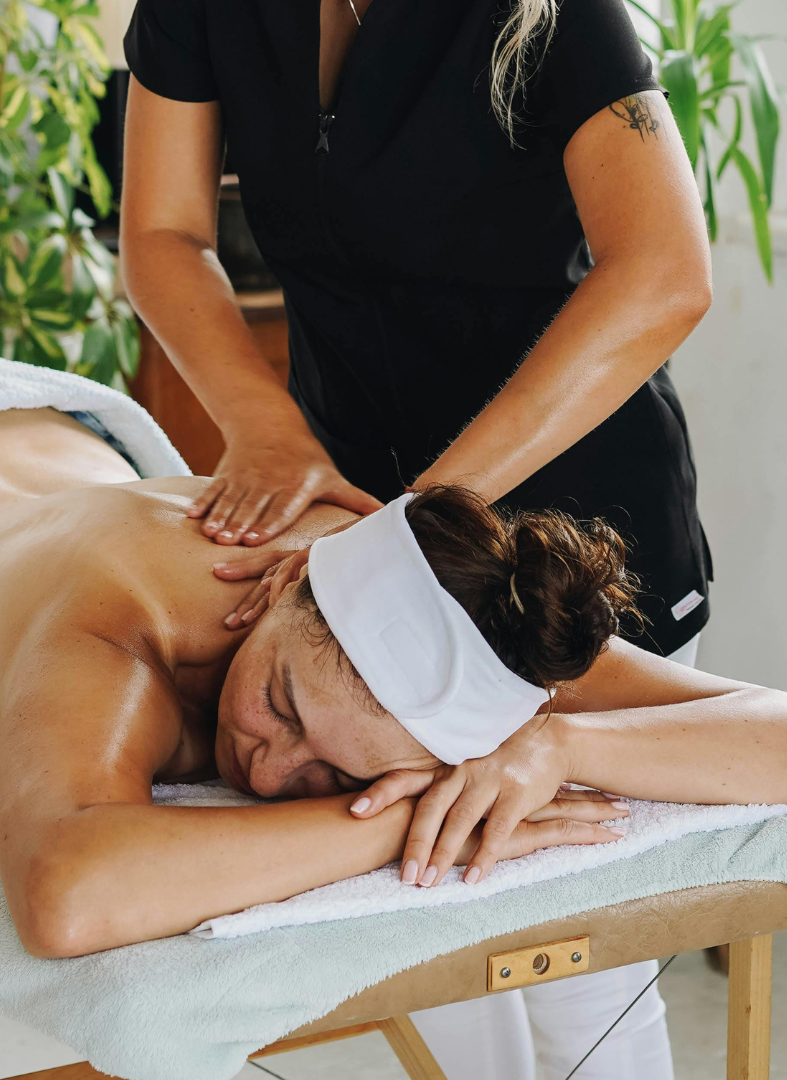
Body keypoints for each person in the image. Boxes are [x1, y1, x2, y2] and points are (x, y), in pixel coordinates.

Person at [118, 0, 713, 1071]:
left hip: (564, 559)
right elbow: (162, 233)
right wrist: (260, 423)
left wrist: (415, 521)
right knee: (421, 962)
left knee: (584, 986)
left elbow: (665, 270)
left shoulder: (554, 18)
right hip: (357, 555)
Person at [0, 407, 787, 977]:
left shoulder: (449, 624)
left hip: (42, 429)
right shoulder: (116, 630)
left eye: (339, 774)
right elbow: (63, 893)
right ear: (290, 577)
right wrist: (405, 823)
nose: (269, 768)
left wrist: (563, 750)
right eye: (284, 707)